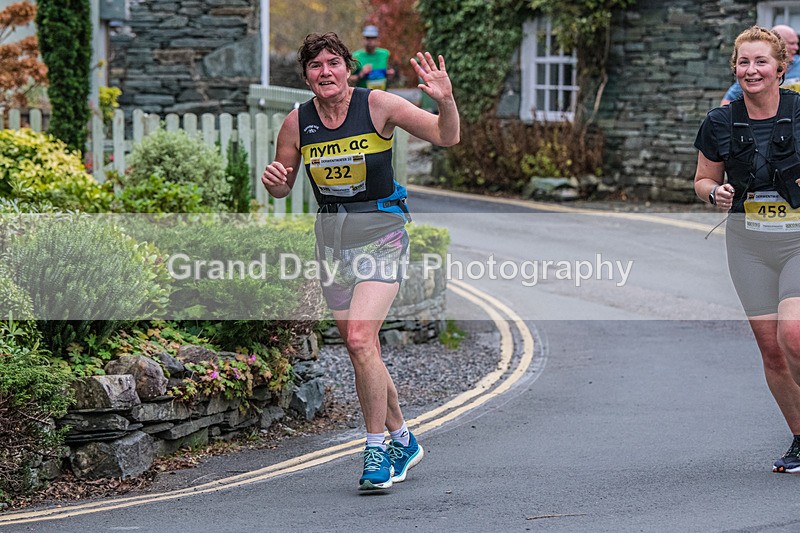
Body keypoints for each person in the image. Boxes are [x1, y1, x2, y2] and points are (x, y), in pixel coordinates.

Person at [261, 32, 459, 490]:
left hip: (381, 236)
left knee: (358, 338)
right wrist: (274, 181)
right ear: (306, 75)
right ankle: (404, 438)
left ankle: (375, 452)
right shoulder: (297, 123)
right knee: (361, 348)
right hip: (331, 244)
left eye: (333, 63)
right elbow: (282, 185)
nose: (325, 72)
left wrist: (445, 101)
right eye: (315, 65)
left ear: (348, 68)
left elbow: (446, 137)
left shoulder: (378, 107)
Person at [694, 25, 800, 473]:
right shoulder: (720, 121)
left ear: (781, 66)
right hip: (748, 243)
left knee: (792, 334)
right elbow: (703, 178)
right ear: (735, 69)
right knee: (771, 350)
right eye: (743, 62)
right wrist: (712, 194)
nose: (751, 70)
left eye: (760, 61)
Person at [721, 24, 800, 105]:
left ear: (781, 70)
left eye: (761, 62)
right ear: (780, 44)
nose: (796, 48)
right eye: (791, 43)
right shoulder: (752, 77)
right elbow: (727, 101)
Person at [349, 25, 395, 91]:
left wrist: (390, 74)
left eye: (373, 38)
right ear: (363, 39)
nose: (370, 41)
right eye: (368, 38)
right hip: (363, 97)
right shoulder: (356, 56)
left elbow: (390, 74)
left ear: (377, 39)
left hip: (382, 95)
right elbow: (347, 80)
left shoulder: (385, 54)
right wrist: (360, 75)